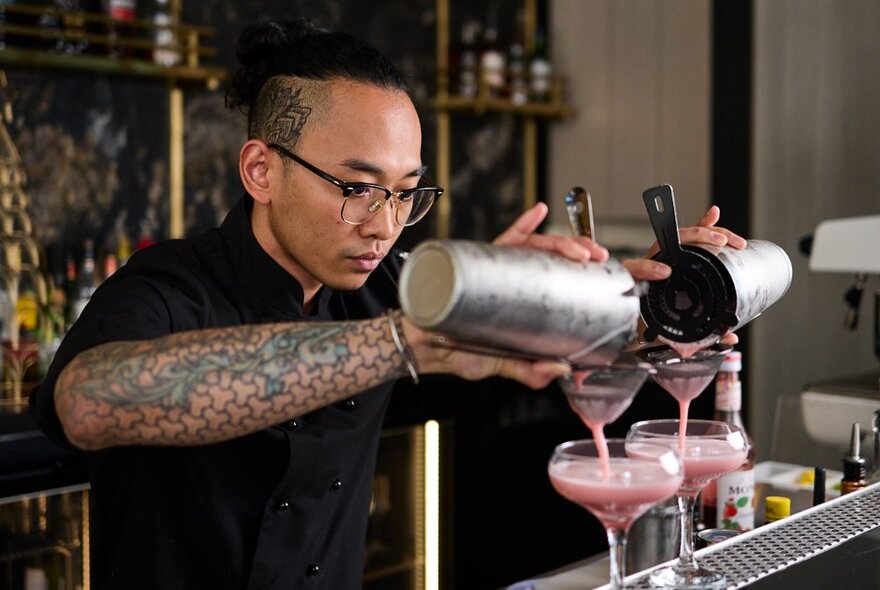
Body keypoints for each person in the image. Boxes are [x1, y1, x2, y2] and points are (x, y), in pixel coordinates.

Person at [30, 18, 745, 590]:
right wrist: (403, 343)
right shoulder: (166, 286)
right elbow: (88, 405)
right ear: (261, 170)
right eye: (355, 187)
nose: (383, 224)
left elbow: (545, 326)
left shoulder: (390, 284)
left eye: (405, 192)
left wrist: (645, 289)